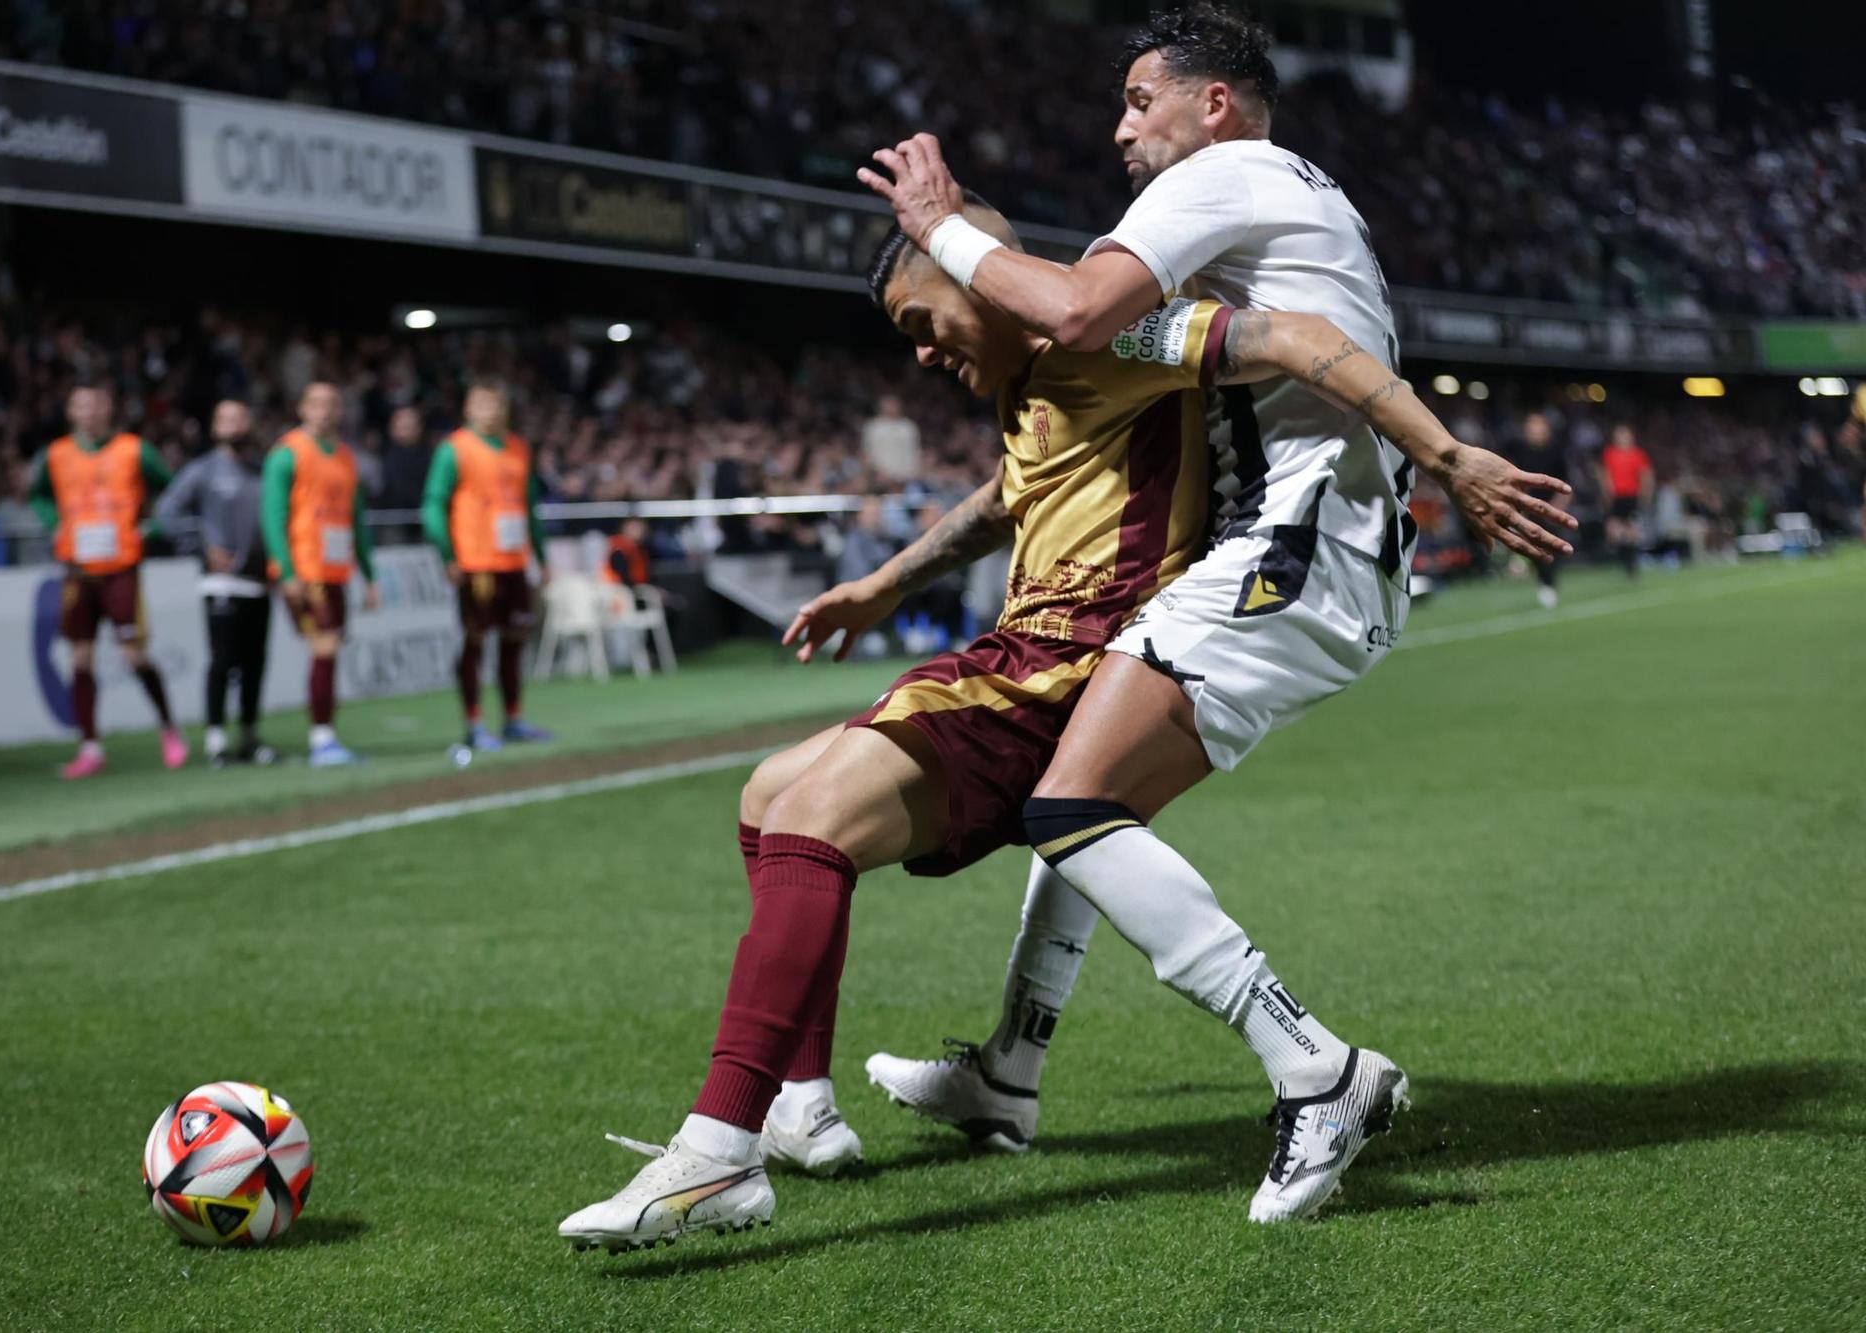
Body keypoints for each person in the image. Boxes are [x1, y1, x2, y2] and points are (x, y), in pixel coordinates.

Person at [557, 200, 1518, 1252]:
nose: (920, 353)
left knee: (815, 820)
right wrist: (879, 584)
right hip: (1010, 657)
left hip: (1064, 670)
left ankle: (715, 1152)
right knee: (765, 794)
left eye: (922, 320)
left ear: (981, 276)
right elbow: (1002, 501)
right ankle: (800, 1102)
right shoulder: (1032, 388)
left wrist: (1447, 454)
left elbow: (1291, 338)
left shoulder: (1109, 336)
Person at [853, 5, 1572, 1222]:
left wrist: (937, 231)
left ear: (1213, 105)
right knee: (1094, 800)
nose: (1121, 127)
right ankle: (1009, 1074)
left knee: (1071, 803)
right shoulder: (1262, 203)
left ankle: (1316, 1067)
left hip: (1296, 544)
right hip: (1295, 544)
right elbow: (1089, 404)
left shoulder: (1224, 175)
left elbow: (1078, 312)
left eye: (1141, 102)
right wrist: (886, 582)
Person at [28, 383, 188, 779]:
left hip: (121, 568)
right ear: (70, 411)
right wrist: (54, 524)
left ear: (109, 409)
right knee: (80, 658)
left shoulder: (134, 450)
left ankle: (168, 728)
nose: (89, 412)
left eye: (96, 404)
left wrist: (150, 527)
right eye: (80, 404)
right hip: (78, 570)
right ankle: (90, 747)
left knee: (133, 654)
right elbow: (39, 496)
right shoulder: (57, 455)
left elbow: (174, 491)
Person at [420, 378, 552, 751]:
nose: (490, 412)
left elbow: (529, 507)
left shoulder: (518, 449)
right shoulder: (454, 450)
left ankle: (513, 718)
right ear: (468, 408)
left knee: (514, 641)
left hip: (513, 561)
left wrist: (540, 556)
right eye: (482, 404)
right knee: (475, 642)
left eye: (496, 404)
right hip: (476, 563)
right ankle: (474, 724)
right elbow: (433, 504)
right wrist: (448, 553)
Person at [261, 381, 379, 767]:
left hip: (336, 571)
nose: (324, 411)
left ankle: (327, 735)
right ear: (301, 409)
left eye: (332, 404)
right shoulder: (286, 455)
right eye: (316, 404)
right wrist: (285, 570)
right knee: (324, 647)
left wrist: (370, 574)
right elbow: (273, 517)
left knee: (330, 649)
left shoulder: (346, 457)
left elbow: (356, 519)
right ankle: (321, 738)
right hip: (306, 571)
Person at [156, 399, 275, 767]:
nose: (234, 425)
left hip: (259, 580)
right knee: (223, 660)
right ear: (215, 427)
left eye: (240, 418)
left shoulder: (262, 469)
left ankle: (250, 735)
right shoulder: (204, 470)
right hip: (221, 583)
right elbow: (166, 512)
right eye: (225, 419)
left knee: (256, 661)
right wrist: (199, 548)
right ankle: (215, 738)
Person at [1507, 410, 1571, 606]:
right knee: (1534, 547)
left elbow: (1566, 486)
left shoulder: (1556, 453)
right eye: (1532, 425)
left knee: (1550, 549)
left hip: (1551, 510)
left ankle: (1549, 583)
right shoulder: (1519, 452)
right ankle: (1540, 580)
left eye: (1539, 425)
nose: (1535, 430)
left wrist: (1556, 510)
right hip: (1528, 509)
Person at [1600, 424, 1653, 576]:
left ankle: (1632, 562)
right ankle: (1625, 560)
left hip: (1632, 496)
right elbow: (1606, 475)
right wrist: (1607, 493)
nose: (1622, 438)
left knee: (1631, 531)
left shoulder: (1638, 454)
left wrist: (1645, 494)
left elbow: (1645, 475)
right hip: (1616, 497)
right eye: (1619, 435)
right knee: (1614, 530)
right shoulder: (1610, 453)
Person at [860, 393, 923, 484]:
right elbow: (866, 453)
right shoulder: (873, 427)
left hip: (907, 476)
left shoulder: (908, 427)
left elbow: (916, 452)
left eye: (893, 404)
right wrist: (876, 473)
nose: (891, 407)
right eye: (888, 404)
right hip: (881, 477)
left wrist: (914, 472)